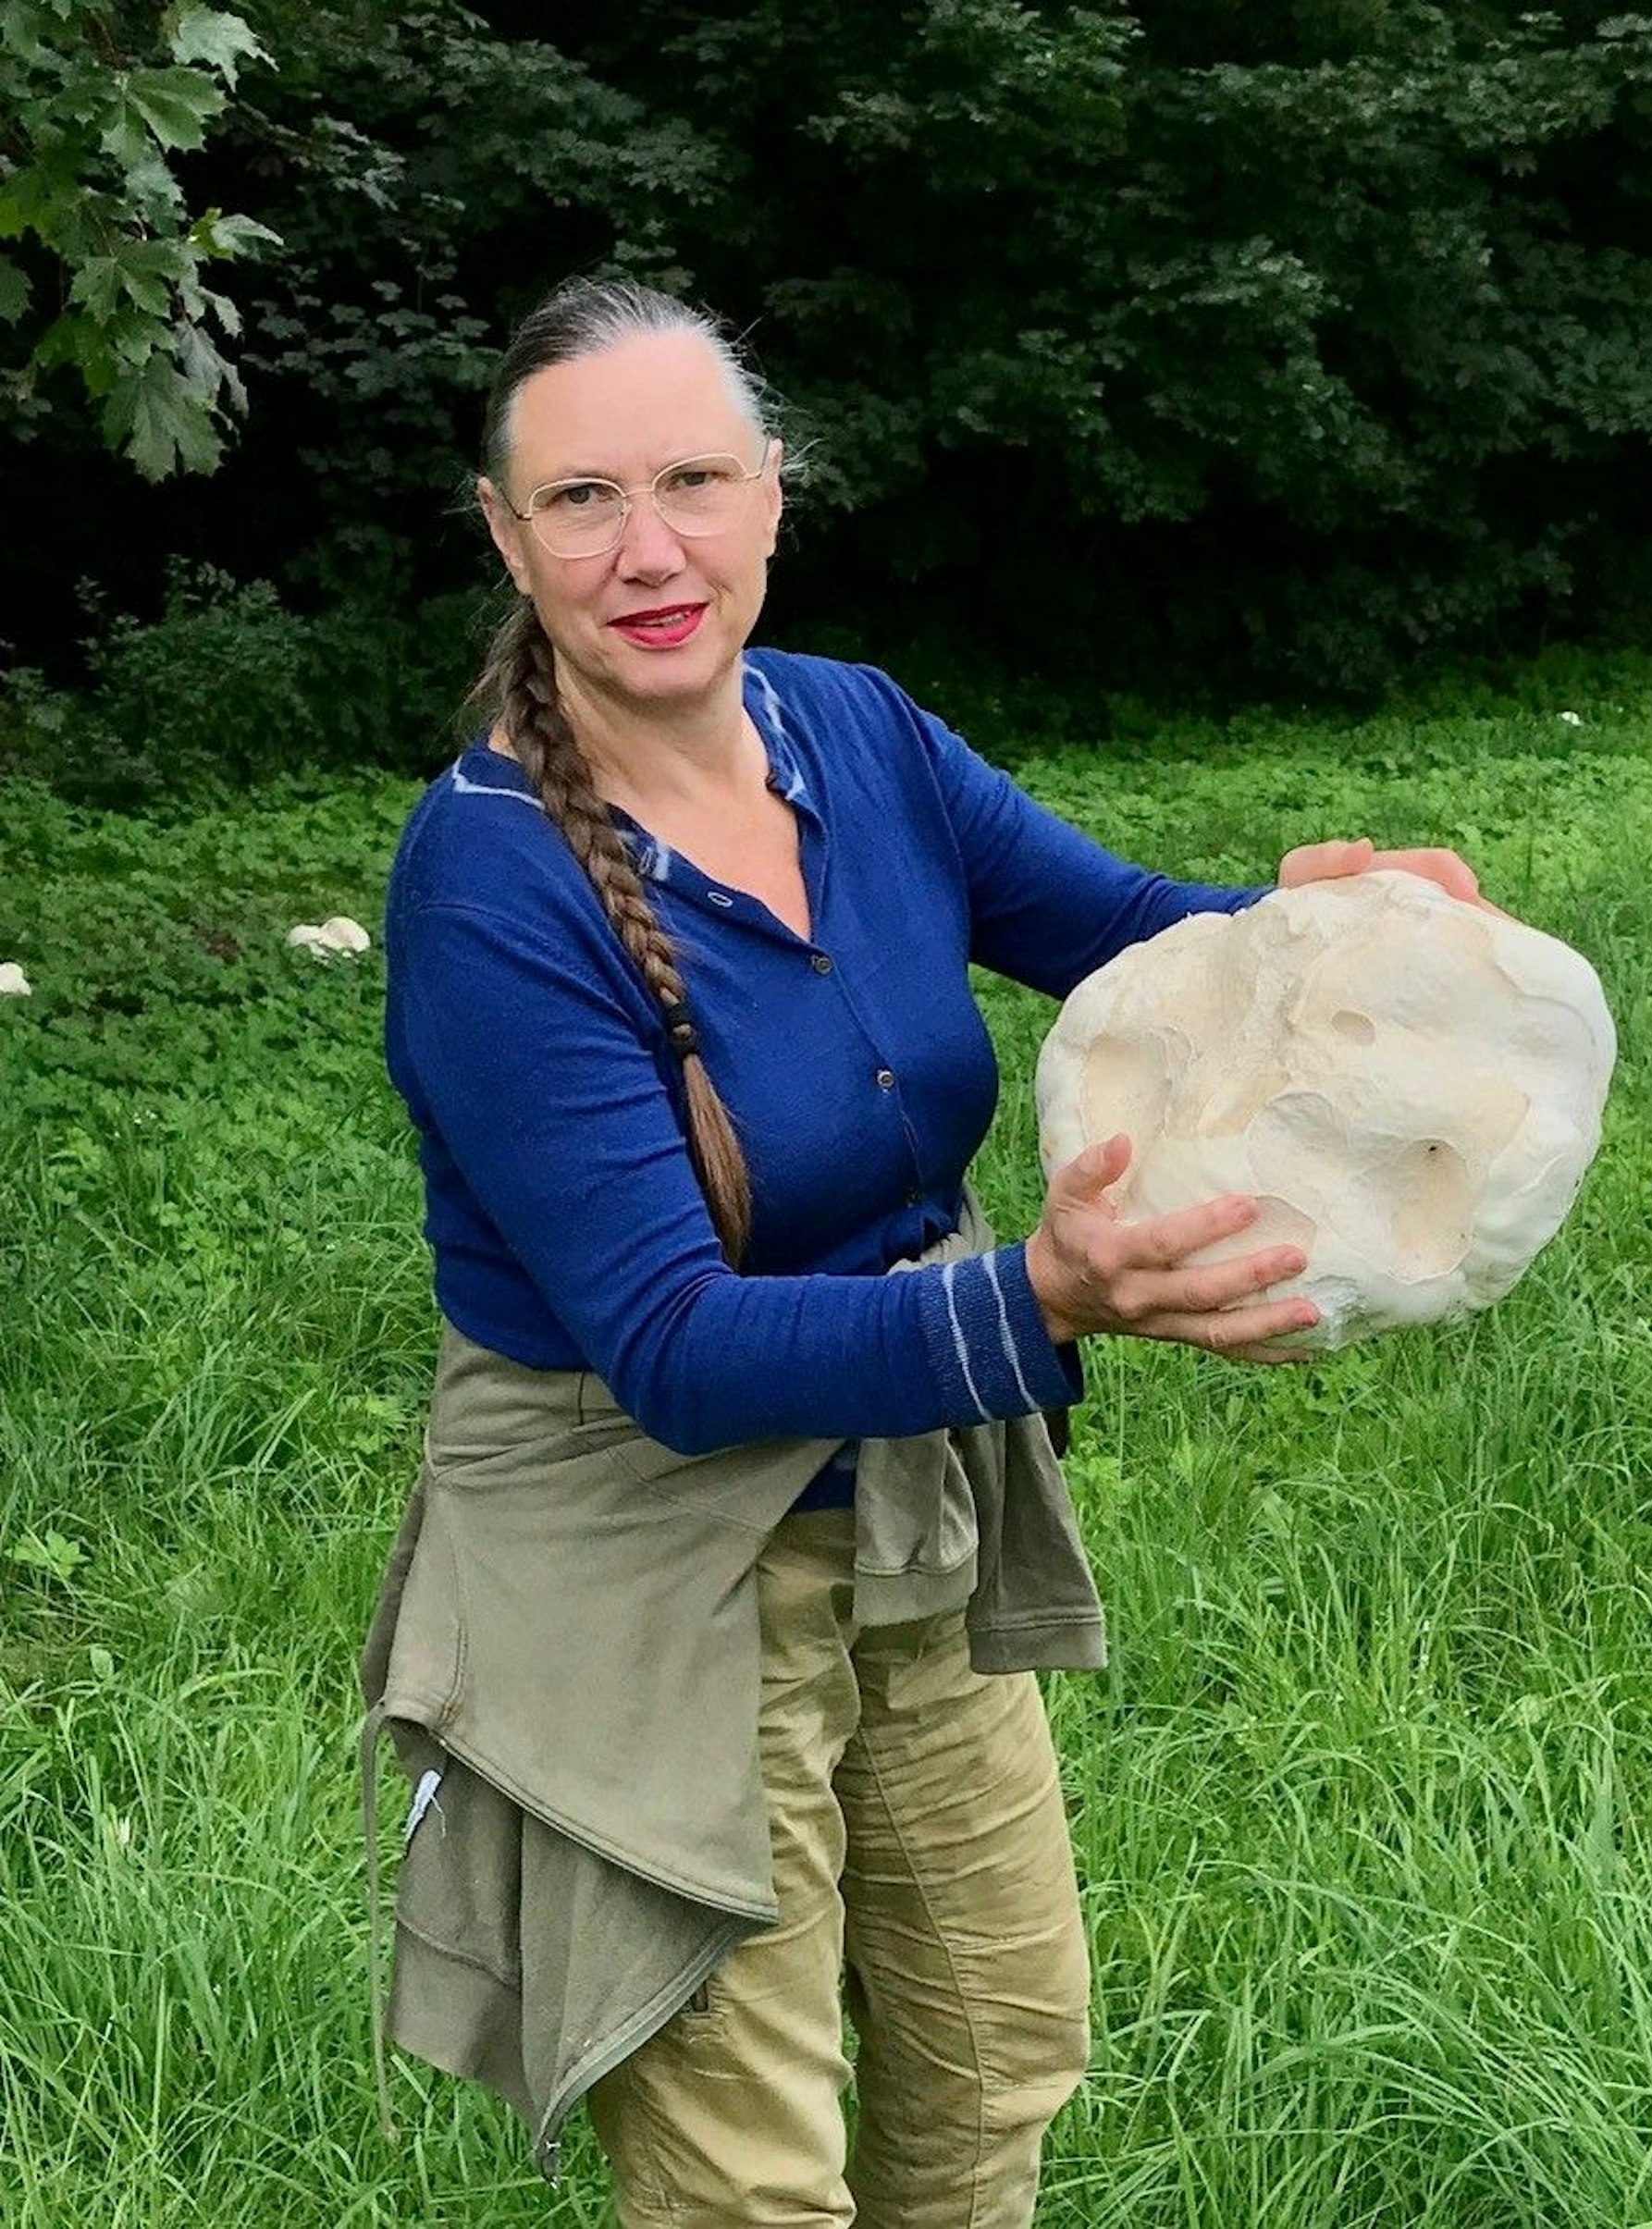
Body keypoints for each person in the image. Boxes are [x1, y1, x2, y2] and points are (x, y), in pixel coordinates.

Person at [360, 275, 1488, 2227]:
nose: (650, 551)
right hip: (640, 1552)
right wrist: (1040, 1296)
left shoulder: (853, 730)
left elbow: (1124, 931)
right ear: (501, 531)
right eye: (581, 500)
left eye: (695, 481)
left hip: (908, 1502)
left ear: (776, 494)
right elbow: (675, 1349)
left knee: (994, 2061)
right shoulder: (491, 881)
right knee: (752, 2182)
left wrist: (1313, 924)